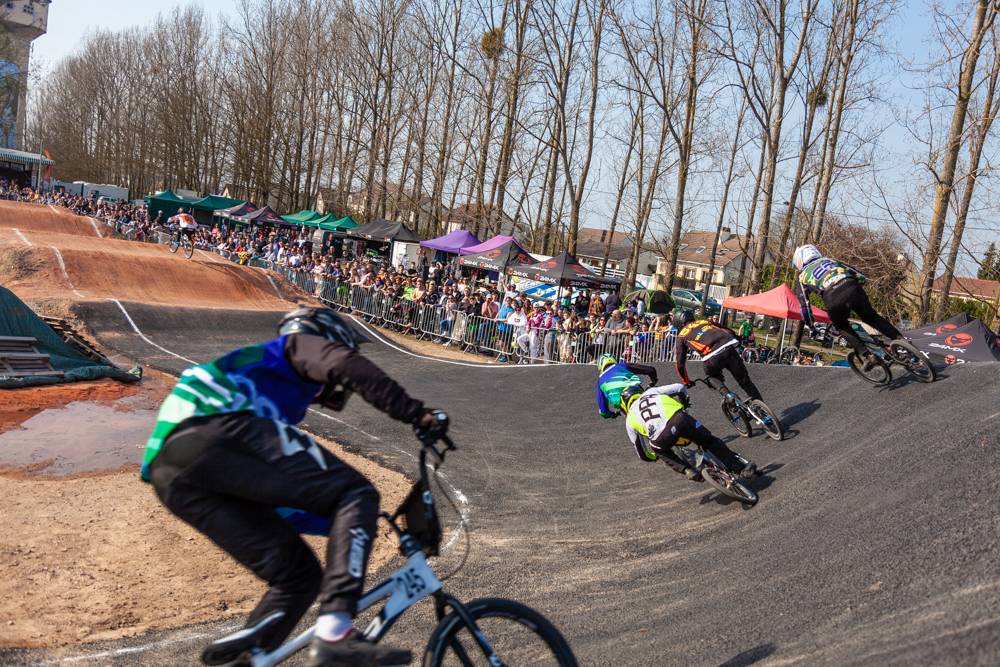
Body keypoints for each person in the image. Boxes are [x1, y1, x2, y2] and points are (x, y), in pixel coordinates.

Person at [142, 307, 441, 667]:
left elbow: (282, 503)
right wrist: (417, 414)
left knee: (298, 578)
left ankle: (248, 659)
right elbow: (347, 365)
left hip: (172, 475)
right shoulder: (297, 346)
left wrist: (350, 523)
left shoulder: (267, 402)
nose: (334, 390)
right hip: (214, 424)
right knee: (356, 490)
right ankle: (335, 632)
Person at [792, 244, 904, 365]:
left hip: (832, 296)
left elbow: (805, 307)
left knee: (841, 326)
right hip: (851, 286)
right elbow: (860, 275)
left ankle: (867, 356)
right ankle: (901, 341)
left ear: (800, 261)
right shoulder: (830, 260)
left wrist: (812, 326)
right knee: (871, 317)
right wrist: (854, 286)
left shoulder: (802, 276)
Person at [620, 383, 757, 480]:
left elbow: (641, 452)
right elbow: (680, 387)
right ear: (638, 392)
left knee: (659, 450)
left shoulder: (629, 420)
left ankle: (686, 470)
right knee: (709, 441)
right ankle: (741, 469)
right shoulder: (650, 392)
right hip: (679, 419)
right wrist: (684, 402)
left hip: (660, 438)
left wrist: (654, 456)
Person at [672, 309, 764, 403]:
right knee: (746, 382)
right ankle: (762, 409)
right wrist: (737, 339)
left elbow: (679, 364)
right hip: (729, 347)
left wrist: (686, 381)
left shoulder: (682, 336)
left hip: (711, 356)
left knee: (711, 377)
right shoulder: (704, 321)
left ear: (678, 324)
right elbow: (728, 330)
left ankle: (728, 395)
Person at [595, 352, 659, 418]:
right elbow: (651, 370)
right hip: (637, 391)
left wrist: (613, 414)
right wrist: (653, 381)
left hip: (623, 402)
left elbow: (603, 411)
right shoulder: (621, 365)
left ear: (600, 365)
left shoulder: (600, 380)